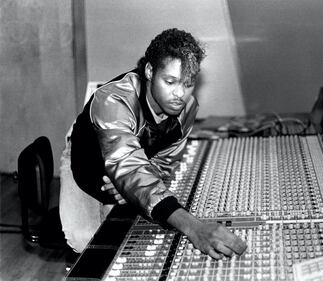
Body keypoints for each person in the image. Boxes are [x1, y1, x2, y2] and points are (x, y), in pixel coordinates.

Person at [59, 28, 247, 260]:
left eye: (188, 83)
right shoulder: (113, 99)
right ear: (149, 71)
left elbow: (162, 164)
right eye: (170, 81)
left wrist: (129, 188)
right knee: (84, 239)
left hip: (129, 174)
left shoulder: (186, 108)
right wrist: (193, 226)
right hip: (87, 165)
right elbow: (129, 167)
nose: (180, 93)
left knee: (121, 243)